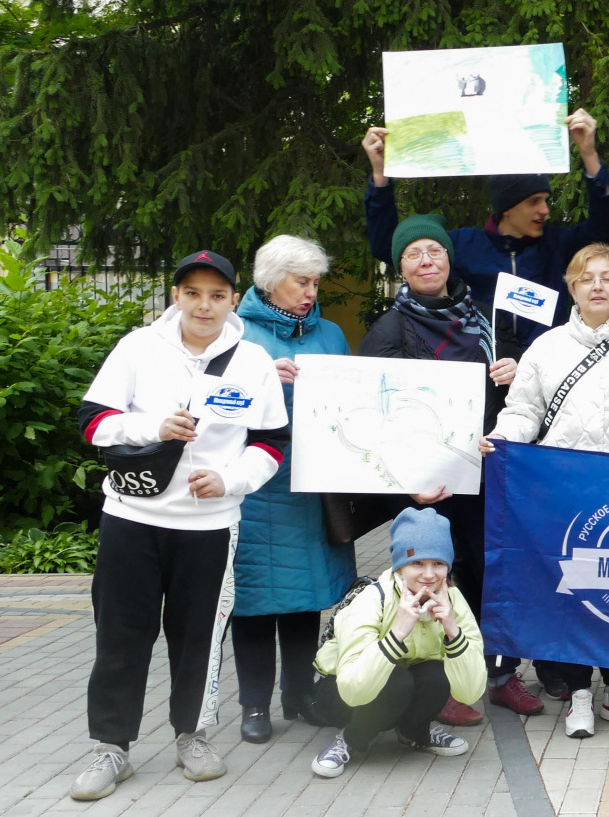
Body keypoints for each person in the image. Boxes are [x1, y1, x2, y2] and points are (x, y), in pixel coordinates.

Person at [70, 251, 289, 800]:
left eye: (217, 295)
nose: (204, 305)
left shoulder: (254, 361)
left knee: (199, 639)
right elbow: (92, 421)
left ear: (234, 300)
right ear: (175, 296)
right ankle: (111, 747)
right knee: (120, 634)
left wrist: (230, 479)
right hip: (131, 517)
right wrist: (151, 427)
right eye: (192, 293)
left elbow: (271, 442)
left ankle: (193, 736)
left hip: (210, 525)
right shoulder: (137, 347)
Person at [356, 214, 542, 721]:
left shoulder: (485, 319)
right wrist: (405, 489)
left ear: (448, 258)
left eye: (434, 251)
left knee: (490, 574)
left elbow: (521, 392)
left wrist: (516, 369)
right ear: (400, 267)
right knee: (432, 580)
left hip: (484, 474)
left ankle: (499, 676)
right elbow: (371, 415)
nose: (426, 261)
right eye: (413, 254)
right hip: (423, 487)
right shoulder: (388, 329)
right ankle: (438, 689)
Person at [480, 243, 609, 739]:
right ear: (572, 287)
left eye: (607, 277)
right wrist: (502, 437)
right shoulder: (546, 347)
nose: (597, 286)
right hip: (562, 487)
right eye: (586, 278)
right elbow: (524, 410)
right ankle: (578, 692)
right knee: (573, 593)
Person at [230, 235, 355, 744]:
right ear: (270, 280)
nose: (311, 293)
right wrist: (262, 379)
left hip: (313, 490)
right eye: (301, 282)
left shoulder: (330, 333)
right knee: (255, 602)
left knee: (307, 598)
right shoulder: (235, 333)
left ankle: (300, 695)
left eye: (315, 283)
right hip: (256, 488)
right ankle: (254, 705)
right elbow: (210, 404)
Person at [361, 110, 609, 349]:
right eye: (534, 202)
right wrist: (380, 175)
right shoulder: (464, 245)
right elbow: (388, 247)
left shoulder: (558, 244)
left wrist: (589, 153)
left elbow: (608, 227)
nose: (545, 210)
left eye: (545, 200)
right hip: (485, 367)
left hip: (548, 365)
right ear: (507, 208)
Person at [309, 508, 487, 777]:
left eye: (438, 563)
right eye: (417, 563)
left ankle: (415, 732)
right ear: (400, 566)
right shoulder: (373, 598)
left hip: (396, 684)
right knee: (397, 680)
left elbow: (470, 692)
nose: (429, 574)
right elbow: (353, 691)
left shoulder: (452, 599)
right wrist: (397, 633)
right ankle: (351, 738)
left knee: (436, 674)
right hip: (340, 693)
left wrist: (452, 629)